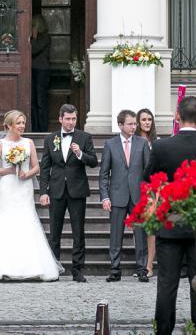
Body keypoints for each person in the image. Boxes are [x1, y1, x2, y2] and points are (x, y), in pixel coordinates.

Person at [145, 94, 196, 335]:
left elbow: (148, 178)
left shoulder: (161, 146)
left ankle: (163, 331)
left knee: (167, 285)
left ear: (177, 116)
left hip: (170, 222)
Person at [0, 109, 60, 281]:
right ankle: (1, 265)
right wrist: (9, 170)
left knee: (27, 219)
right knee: (5, 219)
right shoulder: (1, 144)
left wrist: (27, 174)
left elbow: (36, 167)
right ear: (9, 125)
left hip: (24, 187)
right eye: (18, 123)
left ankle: (30, 266)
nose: (22, 126)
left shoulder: (29, 143)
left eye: (23, 123)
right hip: (8, 186)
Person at [37, 103, 98, 282]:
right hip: (56, 190)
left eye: (73, 119)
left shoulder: (84, 137)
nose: (71, 122)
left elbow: (94, 161)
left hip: (77, 191)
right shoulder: (51, 139)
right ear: (61, 119)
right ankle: (54, 268)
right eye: (68, 119)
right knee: (54, 232)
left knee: (78, 232)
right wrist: (43, 192)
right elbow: (45, 167)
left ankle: (77, 270)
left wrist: (80, 154)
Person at [100, 109, 150, 282]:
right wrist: (105, 196)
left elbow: (148, 171)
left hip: (138, 195)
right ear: (120, 125)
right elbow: (104, 173)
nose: (133, 126)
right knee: (115, 234)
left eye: (134, 123)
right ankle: (115, 269)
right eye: (130, 124)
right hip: (117, 195)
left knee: (140, 235)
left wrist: (148, 195)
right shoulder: (110, 144)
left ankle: (142, 269)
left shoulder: (142, 143)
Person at [136, 107, 159, 279]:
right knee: (138, 228)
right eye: (144, 119)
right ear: (138, 122)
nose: (147, 123)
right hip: (135, 187)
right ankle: (140, 262)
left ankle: (149, 264)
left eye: (149, 120)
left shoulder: (156, 142)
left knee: (151, 229)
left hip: (152, 189)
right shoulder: (134, 141)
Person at [30, 15, 52, 132]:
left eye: (33, 26)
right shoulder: (33, 38)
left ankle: (42, 129)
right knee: (32, 101)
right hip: (32, 71)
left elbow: (34, 50)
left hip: (41, 71)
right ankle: (34, 127)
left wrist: (33, 38)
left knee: (40, 101)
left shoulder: (45, 37)